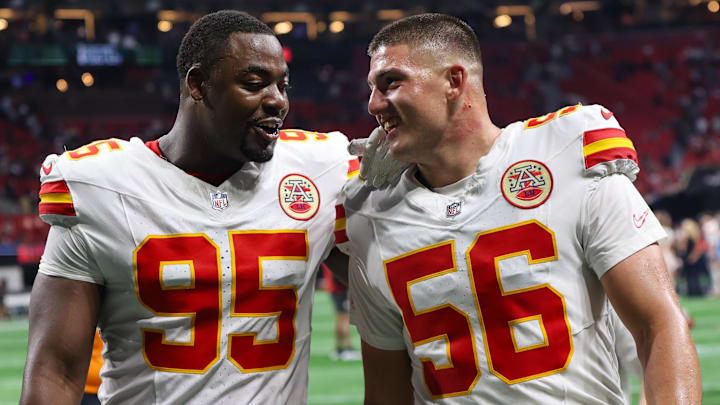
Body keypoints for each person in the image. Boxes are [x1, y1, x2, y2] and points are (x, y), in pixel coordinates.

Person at [342, 13, 701, 404]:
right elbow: (385, 390)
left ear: (453, 81)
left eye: (390, 82)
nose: (374, 103)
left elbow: (659, 324)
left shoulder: (565, 157)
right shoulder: (370, 213)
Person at [20, 10, 358, 404]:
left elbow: (393, 289)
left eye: (283, 85)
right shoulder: (101, 184)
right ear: (198, 85)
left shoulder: (322, 168)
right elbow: (56, 368)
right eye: (254, 83)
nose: (277, 101)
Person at [320, 263, 361, 361]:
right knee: (344, 317)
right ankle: (348, 348)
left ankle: (339, 348)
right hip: (339, 289)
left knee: (340, 317)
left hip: (334, 288)